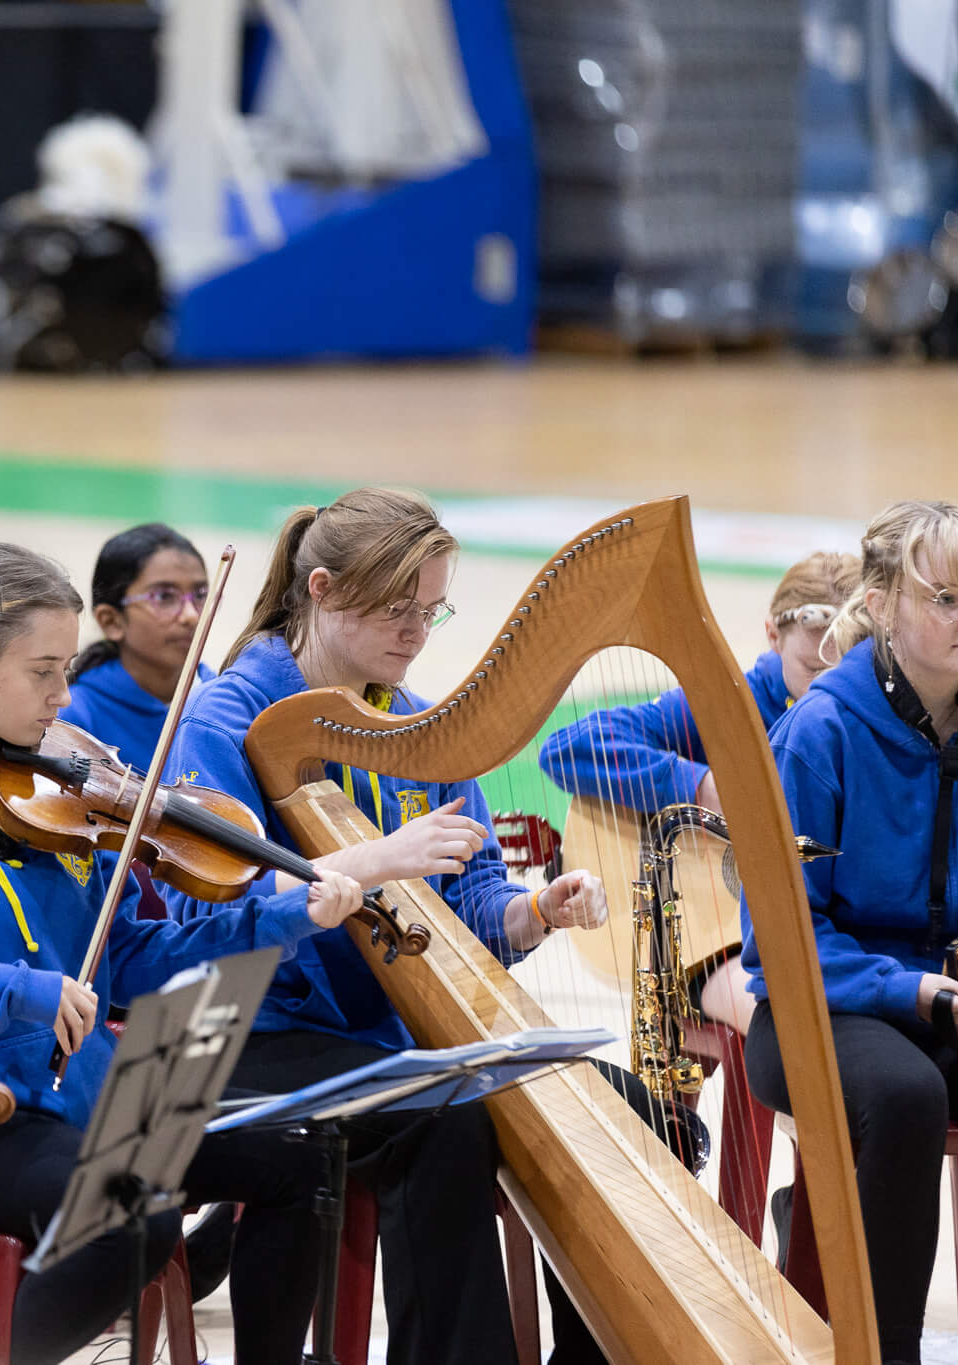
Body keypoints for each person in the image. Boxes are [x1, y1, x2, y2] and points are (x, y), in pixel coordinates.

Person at [0, 542, 366, 1365]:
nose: (65, 696)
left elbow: (131, 955)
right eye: (43, 672)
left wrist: (281, 919)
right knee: (133, 1211)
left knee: (302, 1157)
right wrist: (21, 990)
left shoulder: (54, 794)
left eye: (67, 669)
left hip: (77, 1099)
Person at [161, 487, 612, 1365]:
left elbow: (474, 900)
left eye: (432, 611)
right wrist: (368, 864)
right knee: (442, 1121)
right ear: (321, 590)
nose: (416, 634)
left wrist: (533, 911)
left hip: (382, 1037)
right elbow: (203, 924)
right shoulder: (225, 724)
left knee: (608, 1103)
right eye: (396, 610)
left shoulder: (417, 728)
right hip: (253, 1031)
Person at [740, 500, 958, 1365]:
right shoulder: (820, 731)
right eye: (947, 598)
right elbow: (780, 940)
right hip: (819, 1013)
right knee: (908, 1093)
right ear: (880, 605)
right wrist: (913, 990)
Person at [538, 549, 861, 1031]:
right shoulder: (733, 704)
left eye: (845, 673)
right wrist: (704, 787)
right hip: (715, 944)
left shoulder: (871, 719)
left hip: (829, 933)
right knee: (790, 1021)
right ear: (773, 636)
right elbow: (566, 748)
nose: (826, 690)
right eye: (812, 671)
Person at [58, 522, 213, 772]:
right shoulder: (74, 718)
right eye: (164, 597)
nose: (191, 616)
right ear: (112, 621)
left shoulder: (224, 703)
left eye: (200, 594)